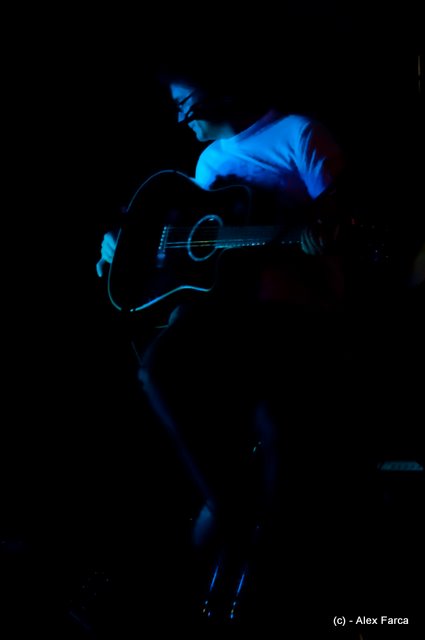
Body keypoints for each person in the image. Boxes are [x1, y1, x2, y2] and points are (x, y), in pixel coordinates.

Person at [95, 62, 369, 625]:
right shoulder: (209, 165)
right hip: (232, 330)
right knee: (164, 375)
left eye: (185, 103)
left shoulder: (298, 133)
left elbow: (345, 219)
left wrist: (320, 234)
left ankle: (253, 595)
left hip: (297, 328)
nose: (180, 118)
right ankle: (206, 547)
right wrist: (126, 249)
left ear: (219, 89)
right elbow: (195, 257)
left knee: (283, 485)